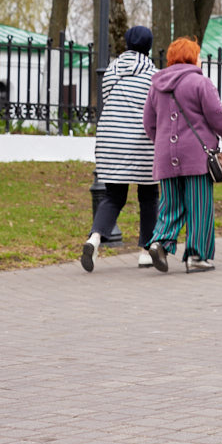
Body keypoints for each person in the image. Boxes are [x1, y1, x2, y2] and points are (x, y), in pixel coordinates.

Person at [143, 37, 222, 274]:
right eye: (198, 55)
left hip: (165, 157)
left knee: (170, 204)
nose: (201, 60)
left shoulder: (156, 85)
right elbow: (217, 115)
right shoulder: (201, 83)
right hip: (196, 157)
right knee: (199, 207)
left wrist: (161, 143)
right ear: (191, 57)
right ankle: (196, 257)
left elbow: (148, 122)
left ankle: (160, 243)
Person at [81, 26, 159, 272]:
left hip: (111, 140)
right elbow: (156, 109)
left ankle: (94, 238)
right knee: (149, 196)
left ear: (126, 44)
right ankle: (145, 251)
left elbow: (107, 100)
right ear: (149, 47)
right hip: (142, 143)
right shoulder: (154, 75)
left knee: (114, 196)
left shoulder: (112, 71)